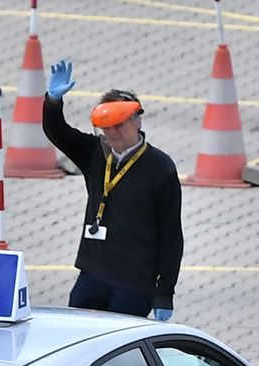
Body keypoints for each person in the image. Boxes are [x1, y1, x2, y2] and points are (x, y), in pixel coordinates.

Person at [42, 59, 183, 321]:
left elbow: (171, 235)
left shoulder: (160, 167)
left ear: (137, 121)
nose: (112, 133)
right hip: (92, 274)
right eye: (106, 126)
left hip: (134, 282)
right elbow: (57, 131)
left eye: (119, 125)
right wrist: (52, 101)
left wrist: (165, 292)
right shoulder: (94, 153)